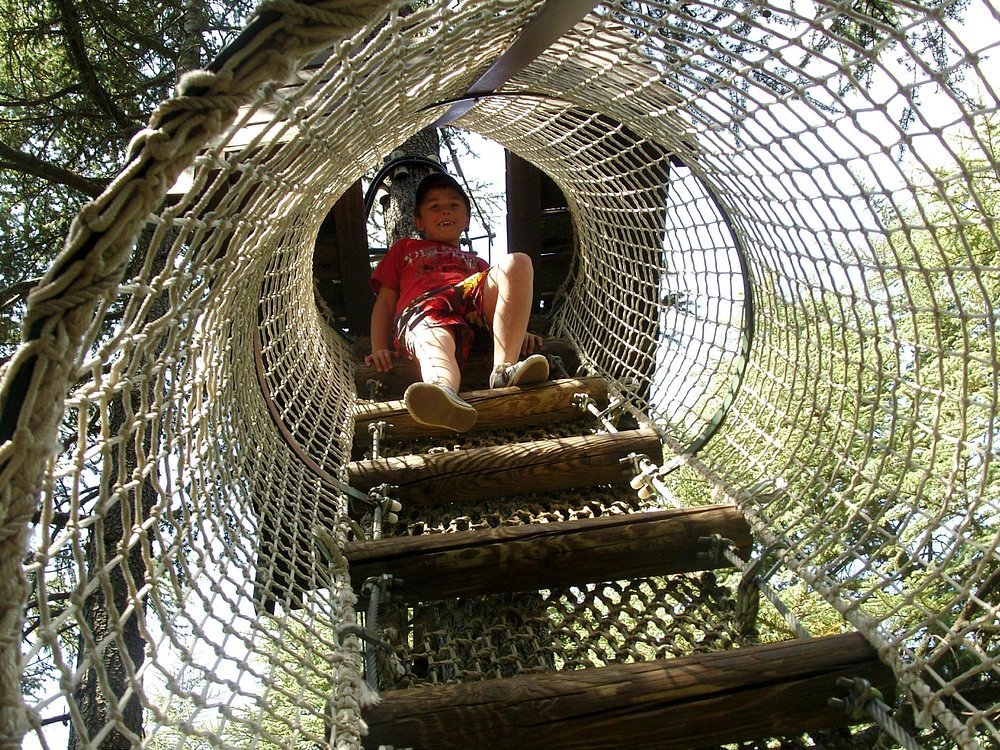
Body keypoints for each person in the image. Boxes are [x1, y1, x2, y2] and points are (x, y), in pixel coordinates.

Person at [366, 172, 548, 432]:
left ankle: (503, 370)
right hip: (424, 309)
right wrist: (378, 346)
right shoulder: (404, 249)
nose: (445, 211)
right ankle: (441, 391)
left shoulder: (477, 264)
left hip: (470, 305)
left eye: (453, 205)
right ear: (419, 221)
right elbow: (385, 303)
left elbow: (505, 299)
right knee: (434, 340)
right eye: (435, 206)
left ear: (467, 219)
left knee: (517, 262)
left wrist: (518, 331)